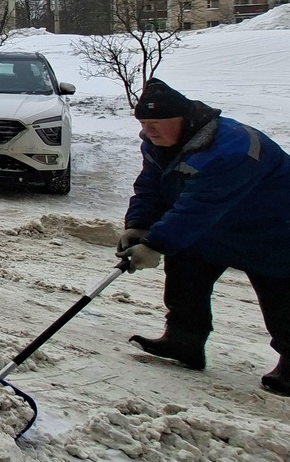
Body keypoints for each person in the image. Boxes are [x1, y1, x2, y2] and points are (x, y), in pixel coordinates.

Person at [116, 78, 290, 396]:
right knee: (184, 271)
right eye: (142, 122)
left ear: (183, 119)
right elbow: (150, 186)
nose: (147, 130)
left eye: (155, 123)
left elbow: (198, 207)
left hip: (272, 229)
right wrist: (138, 226)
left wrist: (156, 243)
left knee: (281, 297)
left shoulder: (234, 148)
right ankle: (184, 341)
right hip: (210, 230)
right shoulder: (159, 144)